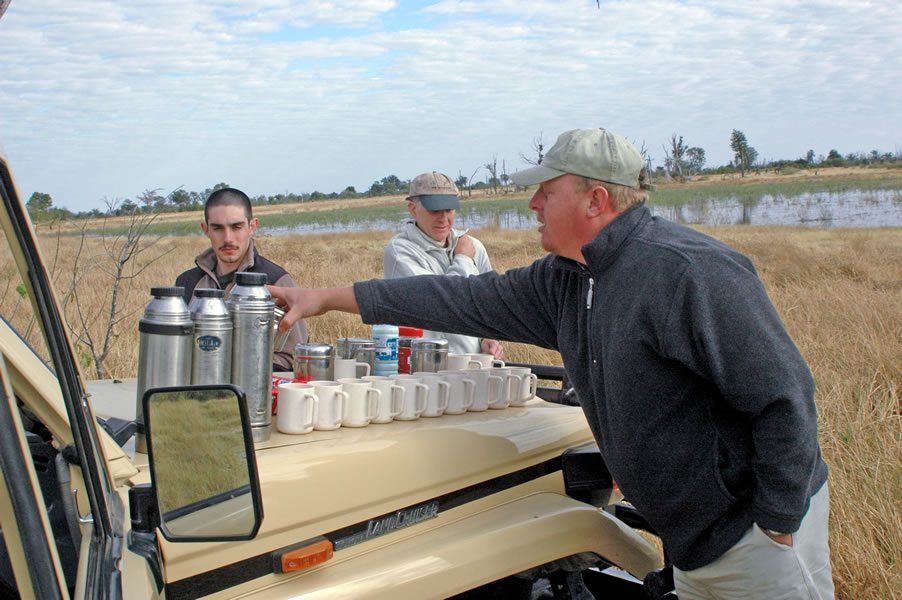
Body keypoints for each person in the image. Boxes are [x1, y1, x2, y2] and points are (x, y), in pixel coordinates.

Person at [270, 128, 833, 599]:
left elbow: (784, 398)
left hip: (751, 538)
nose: (532, 204)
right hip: (690, 543)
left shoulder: (689, 272)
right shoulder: (568, 279)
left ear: (596, 200)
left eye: (546, 191)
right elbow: (454, 297)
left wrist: (775, 526)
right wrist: (326, 298)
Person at [175, 187, 308, 372]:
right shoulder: (187, 283)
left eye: (236, 227)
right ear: (206, 229)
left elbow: (292, 357)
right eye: (218, 228)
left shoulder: (277, 281)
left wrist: (235, 369)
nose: (228, 238)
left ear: (252, 227)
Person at [383, 171, 503, 358]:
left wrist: (488, 338)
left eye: (449, 210)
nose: (443, 218)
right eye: (435, 210)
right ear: (413, 209)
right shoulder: (400, 253)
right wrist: (464, 259)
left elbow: (489, 304)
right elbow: (440, 302)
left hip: (475, 364)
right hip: (424, 366)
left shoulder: (473, 246)